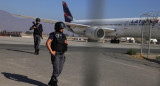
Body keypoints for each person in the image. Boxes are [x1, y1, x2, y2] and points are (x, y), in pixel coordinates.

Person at [46, 22, 68, 86]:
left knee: (59, 70)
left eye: (63, 28)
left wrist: (66, 43)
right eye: (61, 28)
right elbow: (47, 43)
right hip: (56, 55)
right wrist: (51, 51)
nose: (63, 29)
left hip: (62, 54)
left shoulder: (63, 35)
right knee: (56, 70)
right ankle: (54, 83)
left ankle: (51, 81)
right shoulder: (53, 34)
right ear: (58, 28)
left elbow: (64, 43)